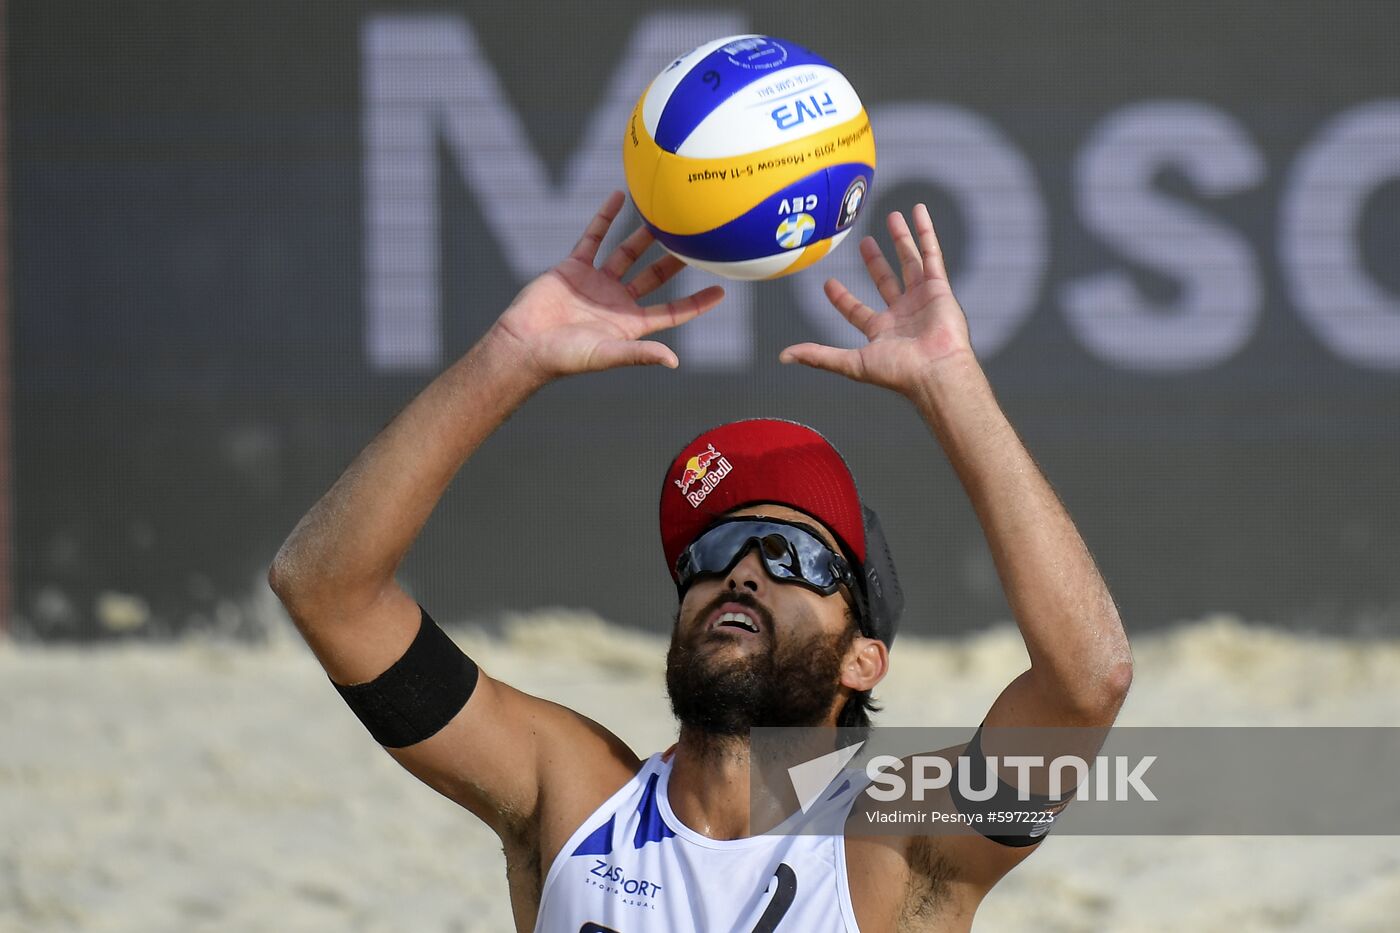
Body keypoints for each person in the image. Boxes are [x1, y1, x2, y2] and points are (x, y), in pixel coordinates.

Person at [268, 191, 1133, 932]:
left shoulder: (892, 844)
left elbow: (1086, 680)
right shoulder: (572, 794)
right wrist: (512, 356)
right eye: (714, 552)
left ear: (864, 655)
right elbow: (326, 589)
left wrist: (952, 382)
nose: (742, 572)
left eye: (792, 555)